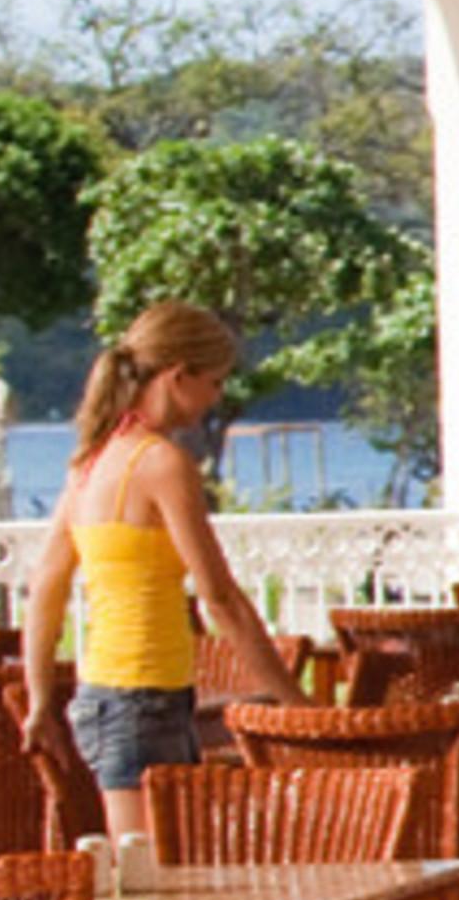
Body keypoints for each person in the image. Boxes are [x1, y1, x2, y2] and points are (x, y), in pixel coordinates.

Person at [20, 305, 297, 799]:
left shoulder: (91, 462)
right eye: (214, 382)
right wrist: (294, 701)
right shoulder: (163, 464)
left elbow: (46, 588)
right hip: (141, 699)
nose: (216, 398)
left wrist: (40, 700)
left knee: (153, 864)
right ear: (178, 376)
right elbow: (220, 598)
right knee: (147, 868)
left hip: (109, 693)